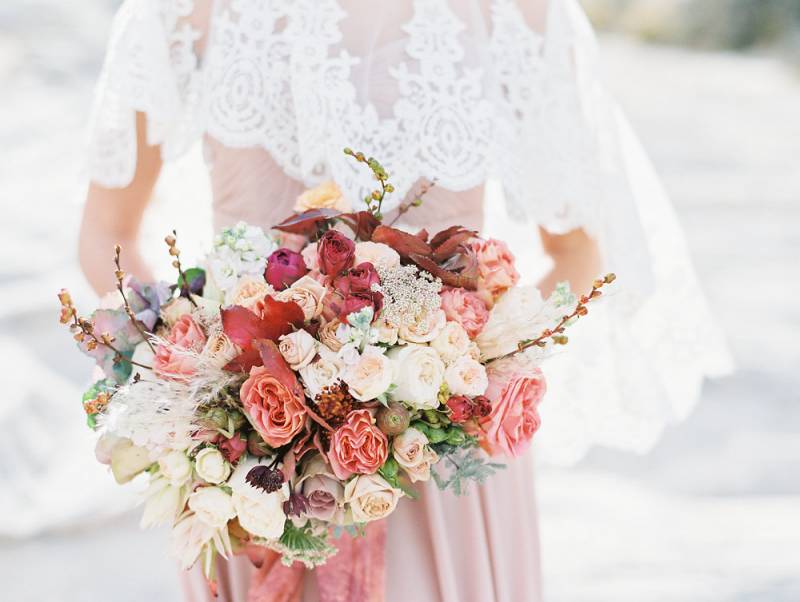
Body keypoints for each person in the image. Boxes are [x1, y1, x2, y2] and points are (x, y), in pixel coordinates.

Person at [79, 1, 730, 600]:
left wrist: (465, 370)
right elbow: (106, 237)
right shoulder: (185, 10)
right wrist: (199, 385)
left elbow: (578, 256)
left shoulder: (515, 14)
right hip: (247, 478)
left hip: (441, 461)